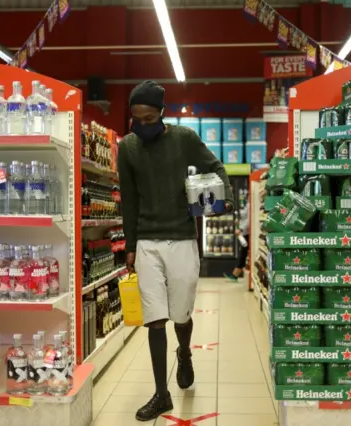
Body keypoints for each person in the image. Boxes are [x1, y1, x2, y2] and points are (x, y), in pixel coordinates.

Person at [118, 80, 234, 422]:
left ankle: (184, 353)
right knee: (154, 317)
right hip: (148, 243)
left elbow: (216, 167)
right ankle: (161, 394)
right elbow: (128, 199)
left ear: (162, 114)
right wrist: (130, 245)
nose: (142, 125)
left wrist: (221, 197)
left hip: (183, 239)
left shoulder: (184, 139)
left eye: (149, 118)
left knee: (181, 313)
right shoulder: (127, 148)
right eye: (136, 118)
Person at [225, 201, 249, 281]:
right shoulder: (248, 203)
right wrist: (237, 216)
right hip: (244, 232)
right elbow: (244, 214)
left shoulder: (250, 204)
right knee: (243, 253)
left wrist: (241, 229)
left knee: (243, 253)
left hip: (246, 232)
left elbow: (249, 220)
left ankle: (235, 275)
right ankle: (235, 275)